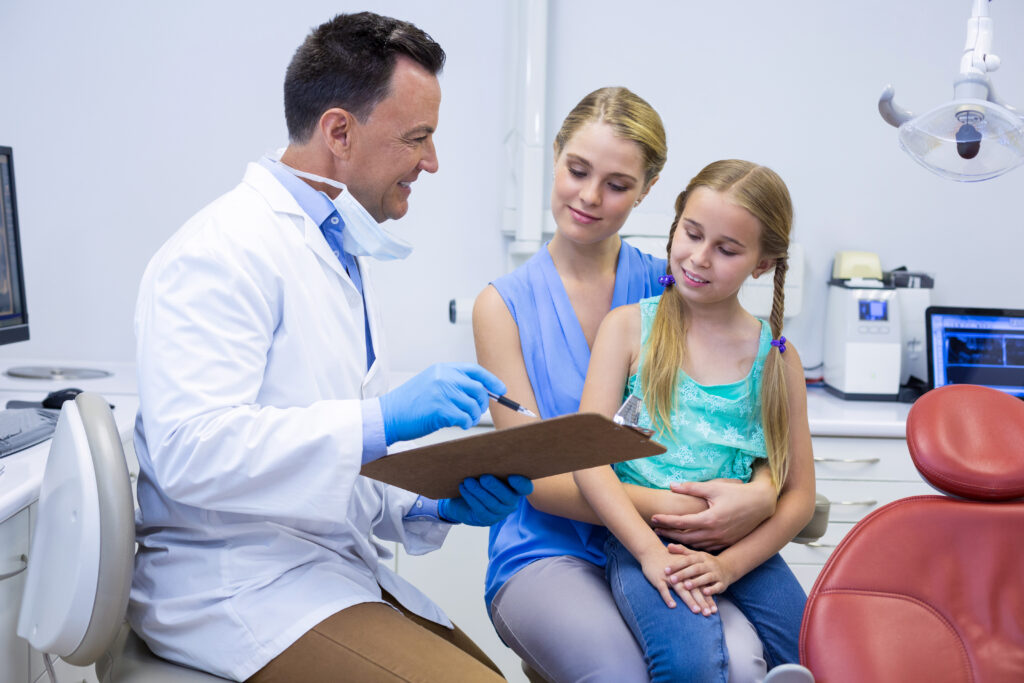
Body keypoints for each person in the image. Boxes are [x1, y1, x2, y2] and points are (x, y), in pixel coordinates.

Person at [129, 12, 532, 683]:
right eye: (418, 139)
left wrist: (430, 503)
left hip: (322, 569)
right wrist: (384, 418)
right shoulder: (219, 251)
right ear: (339, 131)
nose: (432, 162)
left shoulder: (340, 251)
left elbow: (328, 456)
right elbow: (192, 450)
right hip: (237, 585)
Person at [473, 88, 784, 683]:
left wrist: (764, 492)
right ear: (556, 155)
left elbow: (744, 419)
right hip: (549, 550)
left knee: (744, 665)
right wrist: (676, 508)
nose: (589, 197)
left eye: (617, 184)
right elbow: (536, 481)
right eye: (577, 170)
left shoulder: (676, 287)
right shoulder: (502, 308)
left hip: (677, 547)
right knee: (621, 673)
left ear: (649, 188)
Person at [573, 159, 816, 682]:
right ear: (675, 224)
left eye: (726, 250)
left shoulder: (775, 356)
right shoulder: (627, 331)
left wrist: (729, 567)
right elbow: (588, 461)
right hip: (645, 539)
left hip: (742, 544)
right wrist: (648, 555)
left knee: (817, 652)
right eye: (692, 233)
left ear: (762, 264)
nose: (699, 259)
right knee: (692, 664)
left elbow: (798, 497)